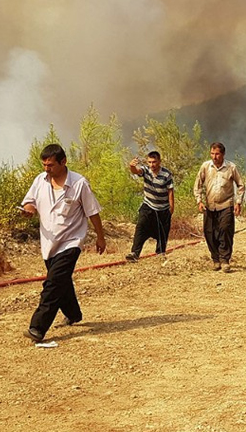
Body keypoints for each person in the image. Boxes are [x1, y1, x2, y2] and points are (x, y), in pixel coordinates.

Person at [19, 143, 107, 343]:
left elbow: (93, 212)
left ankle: (37, 327)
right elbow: (29, 201)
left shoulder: (79, 184)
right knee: (62, 282)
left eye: (50, 165)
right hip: (49, 243)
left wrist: (100, 237)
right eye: (44, 165)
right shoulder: (40, 181)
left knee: (53, 284)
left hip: (71, 241)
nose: (46, 169)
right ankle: (74, 314)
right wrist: (28, 210)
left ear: (63, 162)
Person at [193, 142, 245, 273]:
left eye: (217, 154)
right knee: (209, 232)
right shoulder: (205, 166)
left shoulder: (231, 167)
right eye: (212, 153)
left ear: (223, 154)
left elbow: (241, 185)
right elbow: (197, 185)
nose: (214, 157)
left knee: (225, 230)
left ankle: (225, 260)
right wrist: (199, 201)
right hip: (209, 205)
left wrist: (238, 202)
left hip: (226, 204)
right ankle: (215, 259)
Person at [126, 150, 175, 262]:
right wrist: (131, 166)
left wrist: (171, 207)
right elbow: (136, 171)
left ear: (159, 162)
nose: (152, 165)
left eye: (154, 162)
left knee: (163, 232)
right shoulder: (146, 170)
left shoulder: (166, 174)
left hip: (163, 208)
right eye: (149, 162)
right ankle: (134, 253)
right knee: (140, 227)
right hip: (148, 205)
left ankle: (160, 253)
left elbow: (170, 191)